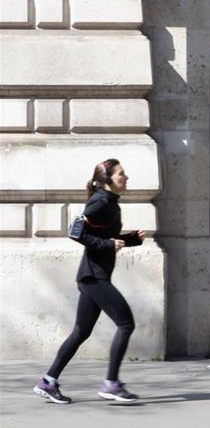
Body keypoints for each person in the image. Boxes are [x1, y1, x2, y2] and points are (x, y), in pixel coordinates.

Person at [33, 159, 144, 404]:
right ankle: (111, 384)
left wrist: (131, 239)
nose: (126, 177)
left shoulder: (110, 202)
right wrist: (106, 244)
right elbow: (75, 231)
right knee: (126, 324)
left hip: (92, 276)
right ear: (107, 181)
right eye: (121, 174)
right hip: (94, 277)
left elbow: (105, 235)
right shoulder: (101, 201)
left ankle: (48, 381)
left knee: (81, 332)